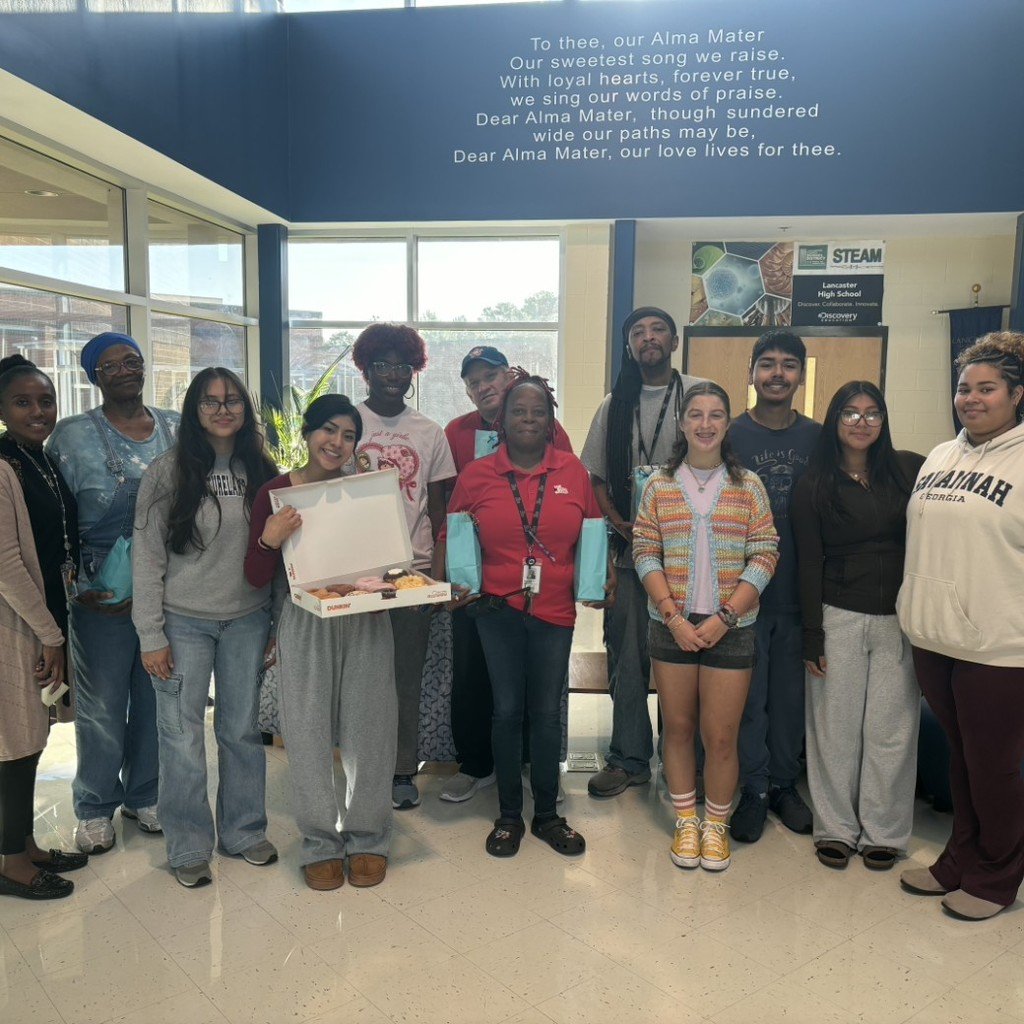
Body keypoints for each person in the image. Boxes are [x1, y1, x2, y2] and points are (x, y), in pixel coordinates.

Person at [436, 371, 614, 857]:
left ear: (551, 420)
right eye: (519, 411)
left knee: (545, 712)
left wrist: (600, 582)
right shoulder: (478, 475)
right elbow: (452, 533)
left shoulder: (573, 473)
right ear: (503, 420)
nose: (529, 419)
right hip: (495, 610)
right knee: (507, 711)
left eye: (539, 411)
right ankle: (510, 816)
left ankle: (550, 816)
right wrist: (450, 583)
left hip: (554, 612)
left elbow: (593, 533)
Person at [132, 368, 279, 888]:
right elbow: (146, 558)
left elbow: (281, 553)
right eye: (211, 402)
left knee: (240, 732)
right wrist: (151, 635)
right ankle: (189, 844)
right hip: (182, 622)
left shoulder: (262, 469)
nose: (223, 410)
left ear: (245, 409)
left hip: (246, 618)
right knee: (181, 738)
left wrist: (276, 624)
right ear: (194, 410)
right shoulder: (166, 472)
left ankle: (243, 831)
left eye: (233, 401)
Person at [245, 394, 397, 891]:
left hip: (366, 616)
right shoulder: (276, 492)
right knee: (307, 731)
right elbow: (253, 575)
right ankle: (318, 843)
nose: (337, 442)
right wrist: (270, 536)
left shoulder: (363, 489)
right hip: (304, 619)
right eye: (328, 430)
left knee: (369, 729)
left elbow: (389, 559)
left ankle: (369, 836)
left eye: (349, 435)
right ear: (308, 434)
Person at [897, 331, 1024, 920]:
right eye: (963, 388)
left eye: (987, 389)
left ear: (1017, 394)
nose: (971, 399)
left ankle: (998, 877)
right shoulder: (942, 456)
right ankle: (958, 861)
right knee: (961, 759)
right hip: (934, 637)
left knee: (993, 767)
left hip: (998, 647)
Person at [633, 382, 778, 873]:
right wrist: (673, 617)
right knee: (677, 728)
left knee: (721, 735)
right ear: (682, 422)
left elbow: (765, 552)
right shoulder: (659, 485)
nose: (705, 423)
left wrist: (727, 616)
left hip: (731, 627)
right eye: (695, 414)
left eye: (716, 414)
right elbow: (644, 551)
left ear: (728, 423)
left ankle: (716, 825)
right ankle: (686, 820)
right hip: (670, 626)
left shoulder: (748, 485)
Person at [48, 332, 179, 854]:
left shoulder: (174, 427)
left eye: (132, 360)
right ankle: (96, 805)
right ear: (92, 376)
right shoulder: (70, 436)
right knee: (102, 704)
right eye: (110, 365)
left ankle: (145, 794)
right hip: (98, 596)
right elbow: (54, 518)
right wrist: (74, 585)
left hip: (167, 591)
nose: (125, 370)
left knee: (154, 698)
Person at [791, 382, 924, 871]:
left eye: (872, 413)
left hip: (899, 619)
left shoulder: (910, 469)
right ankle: (837, 829)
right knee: (835, 727)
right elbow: (809, 563)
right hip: (838, 615)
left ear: (884, 421)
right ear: (835, 420)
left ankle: (884, 832)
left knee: (892, 729)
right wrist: (812, 633)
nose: (861, 422)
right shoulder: (814, 483)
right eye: (850, 413)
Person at [441, 345, 573, 803]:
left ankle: (532, 771)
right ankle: (476, 765)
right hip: (472, 576)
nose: (483, 387)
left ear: (509, 377)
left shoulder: (546, 427)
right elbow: (450, 507)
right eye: (474, 381)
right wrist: (449, 575)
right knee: (473, 674)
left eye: (491, 376)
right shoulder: (456, 432)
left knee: (534, 685)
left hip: (537, 583)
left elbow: (570, 495)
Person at [582, 307, 705, 798]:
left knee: (688, 657)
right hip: (632, 554)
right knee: (627, 659)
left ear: (674, 341)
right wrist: (618, 523)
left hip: (691, 556)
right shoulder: (614, 405)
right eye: (638, 332)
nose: (648, 338)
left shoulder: (697, 393)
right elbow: (595, 476)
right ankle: (629, 757)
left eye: (657, 330)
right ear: (629, 346)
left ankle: (686, 757)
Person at [351, 323, 456, 811]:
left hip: (410, 574)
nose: (392, 374)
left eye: (402, 365)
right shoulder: (345, 422)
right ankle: (357, 763)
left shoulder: (429, 432)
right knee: (356, 674)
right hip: (352, 574)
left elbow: (439, 513)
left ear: (414, 370)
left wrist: (437, 575)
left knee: (404, 678)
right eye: (382, 365)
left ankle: (400, 771)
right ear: (366, 370)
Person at [0, 355, 89, 900]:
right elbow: (6, 563)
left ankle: (22, 844)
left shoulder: (39, 458)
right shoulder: (2, 465)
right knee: (15, 743)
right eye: (23, 402)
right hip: (14, 625)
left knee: (31, 741)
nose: (38, 411)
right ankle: (11, 862)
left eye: (46, 400)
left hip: (42, 618)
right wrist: (49, 634)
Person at [727, 330, 820, 842]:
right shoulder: (731, 436)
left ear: (801, 376)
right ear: (752, 373)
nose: (777, 373)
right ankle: (754, 788)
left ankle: (786, 785)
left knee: (789, 699)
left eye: (788, 365)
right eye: (767, 364)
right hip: (743, 595)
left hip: (799, 593)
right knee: (747, 698)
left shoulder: (818, 438)